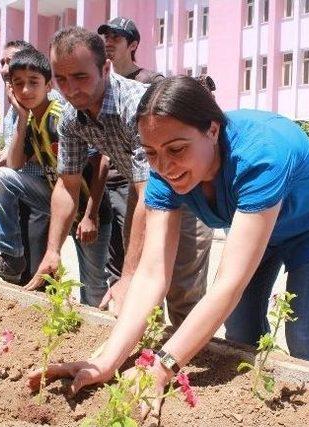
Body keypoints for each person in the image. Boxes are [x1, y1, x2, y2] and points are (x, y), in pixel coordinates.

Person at [26, 76, 309, 400]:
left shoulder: (260, 154)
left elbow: (229, 283)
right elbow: (153, 273)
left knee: (305, 338)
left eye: (177, 149)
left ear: (212, 130)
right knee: (241, 332)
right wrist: (105, 361)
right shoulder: (162, 173)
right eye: (151, 153)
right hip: (261, 221)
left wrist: (164, 365)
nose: (166, 166)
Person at [25, 27, 212, 328]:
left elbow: (148, 187)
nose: (71, 90)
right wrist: (52, 250)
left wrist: (128, 277)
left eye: (81, 77)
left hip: (186, 195)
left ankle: (183, 362)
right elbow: (67, 184)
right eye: (61, 80)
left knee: (181, 291)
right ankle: (147, 353)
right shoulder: (72, 117)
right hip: (144, 195)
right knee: (141, 292)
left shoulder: (138, 106)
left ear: (105, 68)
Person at [0, 48, 112, 306]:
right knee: (1, 178)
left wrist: (91, 215)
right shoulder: (34, 121)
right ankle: (11, 257)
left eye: (33, 83)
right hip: (59, 202)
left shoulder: (61, 117)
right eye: (18, 84)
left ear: (48, 85)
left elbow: (101, 160)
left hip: (91, 210)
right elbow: (14, 164)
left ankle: (99, 335)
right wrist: (22, 118)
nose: (25, 91)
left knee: (93, 284)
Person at [0, 40, 64, 283]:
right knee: (23, 265)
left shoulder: (46, 101)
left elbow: (33, 152)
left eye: (10, 61)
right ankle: (12, 266)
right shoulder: (15, 108)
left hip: (48, 186)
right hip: (23, 190)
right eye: (2, 62)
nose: (5, 67)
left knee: (41, 263)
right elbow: (10, 154)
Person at [97, 17, 167, 290]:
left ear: (133, 44)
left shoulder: (150, 81)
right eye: (106, 36)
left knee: (142, 256)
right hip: (112, 181)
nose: (109, 42)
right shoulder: (103, 84)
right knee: (117, 259)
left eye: (116, 37)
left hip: (141, 182)